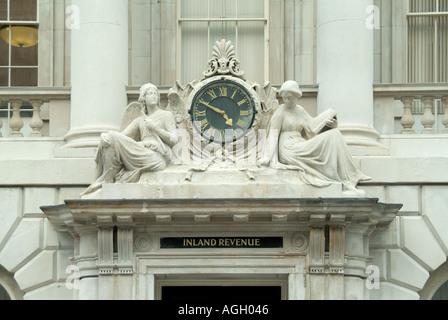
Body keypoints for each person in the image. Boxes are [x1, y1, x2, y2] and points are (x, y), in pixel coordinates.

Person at [258, 80, 371, 195]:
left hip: (300, 144)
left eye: (290, 98)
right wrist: (267, 157)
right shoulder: (280, 111)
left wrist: (331, 124)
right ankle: (343, 182)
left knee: (335, 134)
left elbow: (312, 129)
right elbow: (273, 135)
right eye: (285, 98)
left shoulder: (300, 110)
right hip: (288, 149)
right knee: (332, 138)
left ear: (297, 97)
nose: (287, 101)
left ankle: (347, 181)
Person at [81, 83, 178, 196]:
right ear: (143, 99)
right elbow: (121, 137)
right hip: (143, 150)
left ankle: (107, 182)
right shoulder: (140, 120)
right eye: (150, 93)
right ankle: (107, 180)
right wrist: (107, 139)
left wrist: (155, 128)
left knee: (111, 137)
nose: (153, 96)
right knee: (109, 138)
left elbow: (174, 139)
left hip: (157, 156)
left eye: (155, 93)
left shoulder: (166, 115)